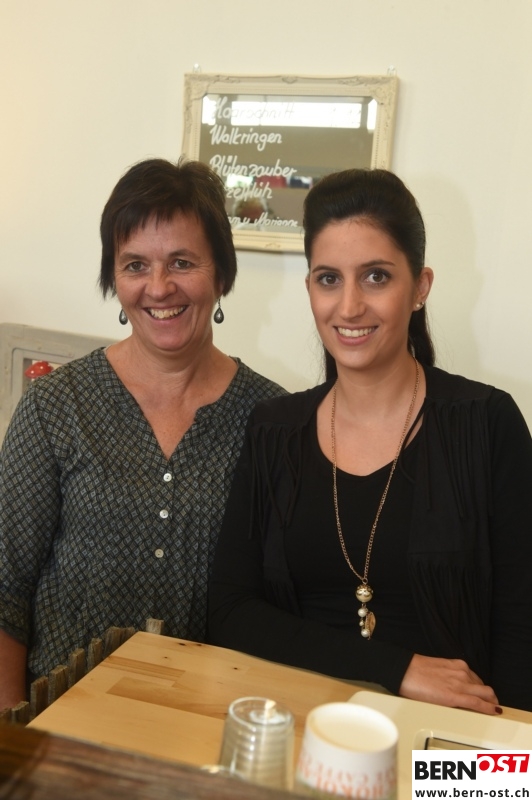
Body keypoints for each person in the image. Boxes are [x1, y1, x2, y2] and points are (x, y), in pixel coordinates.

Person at [209, 168, 532, 714]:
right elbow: (230, 613)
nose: (349, 306)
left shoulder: (487, 423)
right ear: (310, 288)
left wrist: (499, 762)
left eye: (376, 277)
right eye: (328, 279)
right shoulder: (273, 430)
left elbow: (523, 631)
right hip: (295, 729)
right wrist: (395, 669)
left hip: (448, 742)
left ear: (420, 287)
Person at [0, 157, 284, 709]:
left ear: (221, 274)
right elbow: (6, 590)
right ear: (114, 278)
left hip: (206, 726)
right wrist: (14, 734)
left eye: (182, 262)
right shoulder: (55, 407)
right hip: (61, 728)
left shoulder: (272, 421)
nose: (159, 287)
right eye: (135, 265)